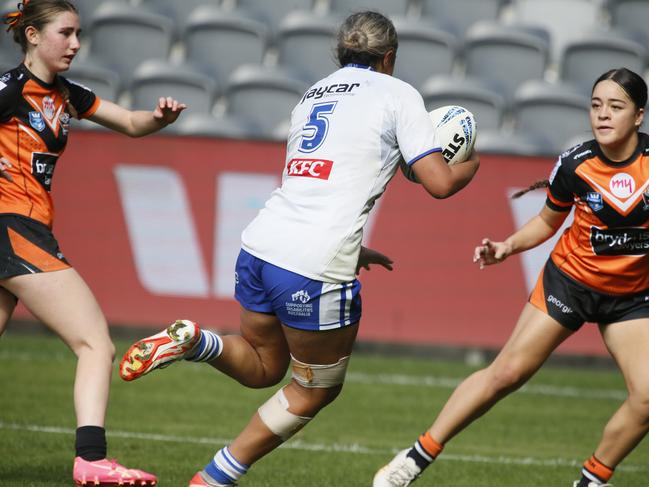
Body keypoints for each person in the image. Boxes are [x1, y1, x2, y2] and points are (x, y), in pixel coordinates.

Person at [118, 10, 479, 487]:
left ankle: (195, 341)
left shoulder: (313, 93)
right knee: (315, 390)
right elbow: (438, 183)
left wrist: (355, 250)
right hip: (314, 263)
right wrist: (472, 163)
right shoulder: (399, 93)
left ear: (343, 51)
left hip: (263, 244)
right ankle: (214, 479)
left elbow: (321, 183)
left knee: (265, 366)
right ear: (389, 57)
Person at [373, 67, 649, 487]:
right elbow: (545, 222)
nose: (603, 115)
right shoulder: (576, 163)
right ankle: (412, 460)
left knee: (647, 398)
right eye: (596, 106)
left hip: (632, 297)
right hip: (571, 283)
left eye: (616, 106)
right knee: (506, 374)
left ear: (639, 116)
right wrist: (507, 247)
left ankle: (591, 480)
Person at [1, 1, 186, 485]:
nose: (76, 44)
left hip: (22, 227)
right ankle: (91, 460)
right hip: (14, 228)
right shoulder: (10, 89)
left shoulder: (65, 93)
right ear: (34, 37)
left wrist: (158, 118)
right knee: (94, 343)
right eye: (66, 33)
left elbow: (128, 122)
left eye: (79, 33)